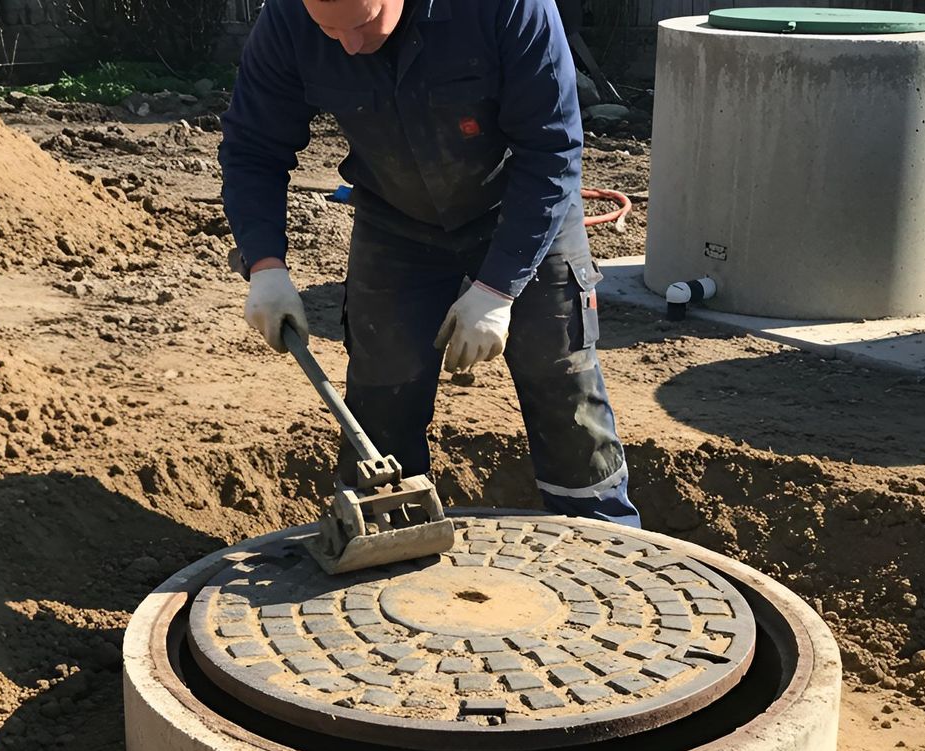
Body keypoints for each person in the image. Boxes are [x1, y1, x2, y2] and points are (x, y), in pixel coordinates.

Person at [218, 0, 641, 527]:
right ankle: (381, 537)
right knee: (382, 396)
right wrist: (265, 265)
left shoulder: (506, 8)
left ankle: (606, 541)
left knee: (562, 386)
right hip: (395, 219)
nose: (348, 44)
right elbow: (253, 147)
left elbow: (552, 149)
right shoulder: (287, 19)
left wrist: (497, 290)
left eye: (364, 25)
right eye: (330, 30)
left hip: (524, 206)